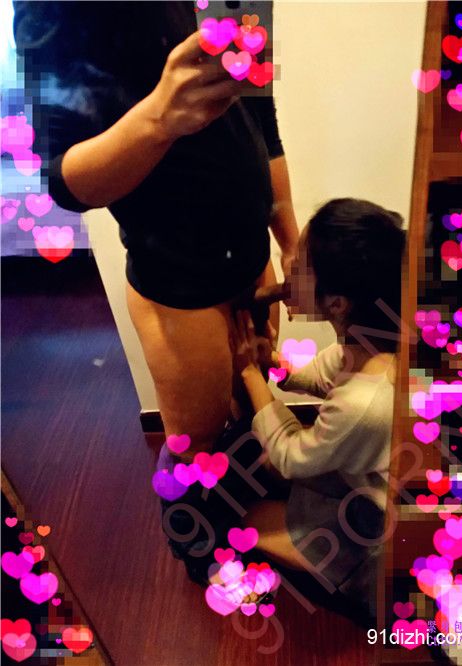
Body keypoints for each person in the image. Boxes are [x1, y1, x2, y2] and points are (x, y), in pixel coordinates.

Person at [13, 1, 299, 459]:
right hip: (179, 282)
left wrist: (290, 242)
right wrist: (159, 118)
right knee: (196, 444)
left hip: (254, 255)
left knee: (253, 394)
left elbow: (262, 118)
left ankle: (246, 488)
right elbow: (64, 183)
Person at [232, 197, 406, 618]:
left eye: (299, 264)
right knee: (266, 480)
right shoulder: (372, 341)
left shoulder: (365, 402)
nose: (287, 265)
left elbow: (292, 457)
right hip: (360, 479)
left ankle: (360, 580)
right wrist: (274, 365)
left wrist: (250, 374)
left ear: (338, 303)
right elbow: (321, 375)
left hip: (378, 528)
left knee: (246, 523)